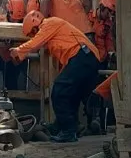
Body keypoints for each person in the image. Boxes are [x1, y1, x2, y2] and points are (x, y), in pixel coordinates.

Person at [9, 10, 101, 143]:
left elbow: (36, 42)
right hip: (88, 58)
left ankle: (68, 131)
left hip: (83, 56)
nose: (34, 36)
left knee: (59, 90)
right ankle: (68, 126)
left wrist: (18, 51)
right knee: (71, 94)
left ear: (35, 25)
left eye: (33, 33)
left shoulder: (49, 23)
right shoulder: (55, 31)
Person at [84, 0, 116, 134]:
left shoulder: (108, 24)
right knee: (88, 92)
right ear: (101, 7)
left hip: (102, 62)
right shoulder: (88, 19)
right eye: (108, 11)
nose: (110, 15)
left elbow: (109, 41)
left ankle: (99, 124)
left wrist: (111, 53)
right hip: (90, 60)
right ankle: (90, 123)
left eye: (112, 13)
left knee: (101, 93)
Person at [0, 0, 28, 90]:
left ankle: (14, 101)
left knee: (12, 86)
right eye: (14, 19)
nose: (16, 21)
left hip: (13, 61)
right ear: (9, 12)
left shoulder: (26, 23)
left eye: (18, 20)